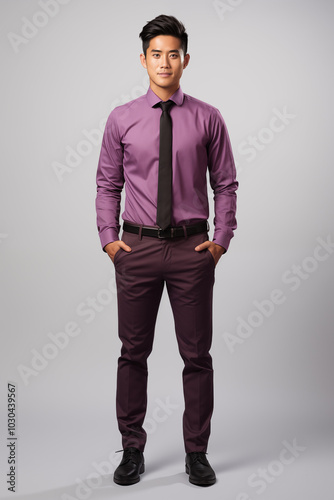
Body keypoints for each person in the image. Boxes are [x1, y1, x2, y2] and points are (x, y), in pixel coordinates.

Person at [95, 14, 238, 487]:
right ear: (143, 59)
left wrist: (220, 241)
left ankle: (196, 453)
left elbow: (226, 184)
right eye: (156, 53)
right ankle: (131, 449)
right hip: (134, 248)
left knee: (197, 356)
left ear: (185, 60)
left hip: (191, 251)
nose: (164, 62)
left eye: (173, 53)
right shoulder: (121, 119)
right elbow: (107, 184)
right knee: (133, 352)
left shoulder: (208, 118)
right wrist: (109, 240)